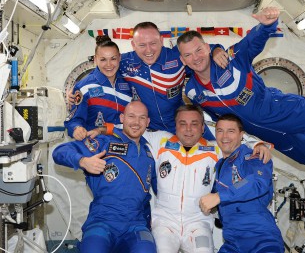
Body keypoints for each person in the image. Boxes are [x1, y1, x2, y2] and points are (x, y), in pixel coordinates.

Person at [176, 7, 305, 165]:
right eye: (188, 55)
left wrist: (267, 26)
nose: (196, 58)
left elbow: (251, 43)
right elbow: (218, 119)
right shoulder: (193, 92)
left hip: (288, 111)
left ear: (207, 48)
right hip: (268, 133)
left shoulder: (231, 60)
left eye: (199, 50)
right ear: (183, 60)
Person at [145, 105, 272, 253]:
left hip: (198, 222)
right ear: (175, 125)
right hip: (165, 222)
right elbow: (133, 128)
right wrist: (109, 127)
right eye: (182, 123)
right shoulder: (161, 140)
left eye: (194, 124)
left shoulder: (215, 149)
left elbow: (235, 142)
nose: (188, 129)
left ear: (203, 127)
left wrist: (258, 144)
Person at [53, 101, 157, 253]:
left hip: (135, 225)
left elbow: (151, 193)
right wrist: (83, 161)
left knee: (147, 250)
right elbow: (59, 152)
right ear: (122, 118)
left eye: (142, 118)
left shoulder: (149, 154)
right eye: (131, 116)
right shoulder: (104, 142)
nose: (136, 122)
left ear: (147, 122)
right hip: (102, 222)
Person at [120, 21, 227, 136]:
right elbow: (102, 66)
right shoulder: (124, 62)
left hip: (181, 124)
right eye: (142, 45)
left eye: (153, 43)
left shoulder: (177, 56)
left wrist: (217, 50)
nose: (148, 50)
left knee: (213, 148)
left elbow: (202, 49)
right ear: (133, 44)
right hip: (148, 129)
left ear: (161, 40)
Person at [199, 113, 284, 253]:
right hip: (233, 242)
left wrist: (219, 197)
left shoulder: (254, 156)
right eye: (220, 131)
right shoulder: (220, 165)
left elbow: (257, 182)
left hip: (260, 239)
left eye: (231, 131)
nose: (224, 136)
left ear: (241, 135)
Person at [64, 35, 133, 140]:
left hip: (123, 142)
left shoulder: (129, 83)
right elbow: (74, 119)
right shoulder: (84, 87)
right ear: (95, 59)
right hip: (96, 144)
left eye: (113, 59)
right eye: (103, 59)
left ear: (119, 57)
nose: (109, 64)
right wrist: (76, 128)